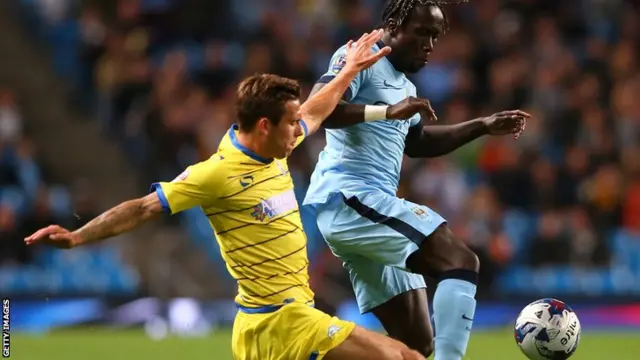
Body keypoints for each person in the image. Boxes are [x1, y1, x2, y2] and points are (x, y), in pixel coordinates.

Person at [25, 31, 425, 360]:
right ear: (265, 125)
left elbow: (316, 111)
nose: (298, 131)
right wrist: (78, 237)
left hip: (286, 318)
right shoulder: (217, 172)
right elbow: (143, 207)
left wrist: (349, 71)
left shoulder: (275, 145)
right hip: (277, 324)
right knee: (399, 359)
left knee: (406, 357)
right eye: (290, 124)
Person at [302, 2, 531, 360]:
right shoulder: (361, 56)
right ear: (394, 24)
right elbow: (319, 108)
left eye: (435, 37)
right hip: (348, 197)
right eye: (422, 32)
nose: (429, 45)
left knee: (417, 349)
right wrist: (388, 111)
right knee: (460, 260)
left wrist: (482, 125)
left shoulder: (403, 84)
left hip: (364, 212)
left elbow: (418, 142)